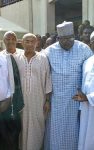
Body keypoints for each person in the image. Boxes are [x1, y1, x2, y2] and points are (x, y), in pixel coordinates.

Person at [42, 21, 92, 150]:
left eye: (70, 38)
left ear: (74, 36)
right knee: (55, 132)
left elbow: (91, 72)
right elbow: (44, 75)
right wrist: (47, 99)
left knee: (75, 132)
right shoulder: (49, 52)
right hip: (56, 101)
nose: (68, 41)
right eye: (64, 39)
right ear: (58, 38)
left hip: (76, 101)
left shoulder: (84, 49)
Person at [15, 33, 52, 150]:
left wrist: (47, 100)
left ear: (37, 43)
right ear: (22, 43)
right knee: (22, 128)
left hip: (38, 101)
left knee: (37, 128)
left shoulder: (43, 58)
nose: (30, 44)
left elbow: (48, 79)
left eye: (32, 41)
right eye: (27, 41)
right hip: (20, 102)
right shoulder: (16, 58)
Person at [72, 31, 94, 150]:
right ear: (90, 44)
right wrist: (83, 100)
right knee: (87, 139)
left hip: (90, 100)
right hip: (86, 107)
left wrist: (89, 97)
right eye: (93, 41)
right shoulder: (88, 61)